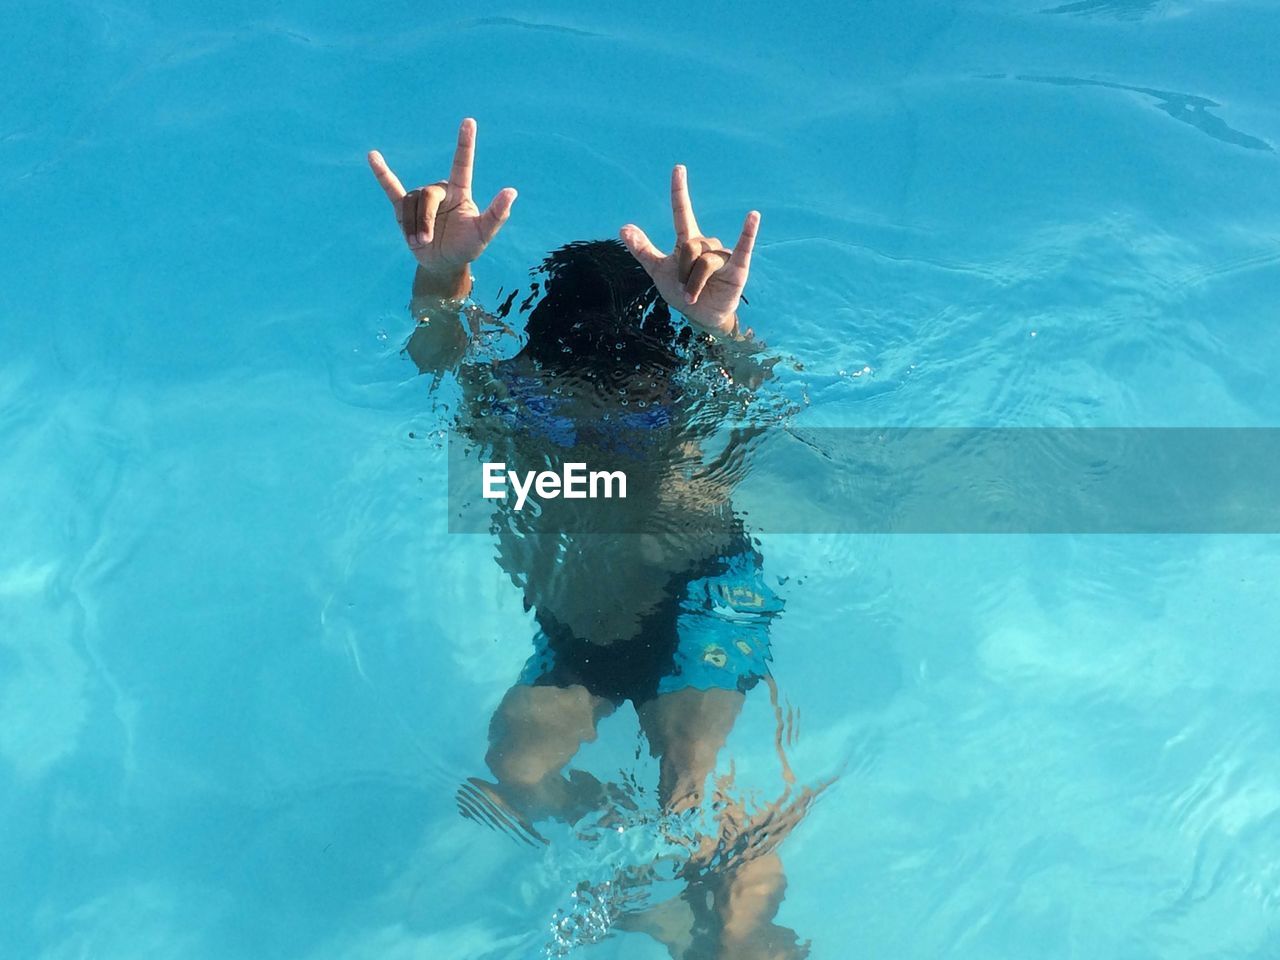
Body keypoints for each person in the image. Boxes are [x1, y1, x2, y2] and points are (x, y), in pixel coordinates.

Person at [368, 119, 819, 959]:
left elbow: (761, 410)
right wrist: (442, 276)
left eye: (618, 387)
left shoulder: (685, 400)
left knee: (688, 771)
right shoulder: (506, 396)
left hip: (702, 597)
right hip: (581, 618)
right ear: (535, 362)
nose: (586, 404)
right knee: (518, 764)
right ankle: (641, 875)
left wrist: (724, 337)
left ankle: (737, 932)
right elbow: (440, 350)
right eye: (563, 385)